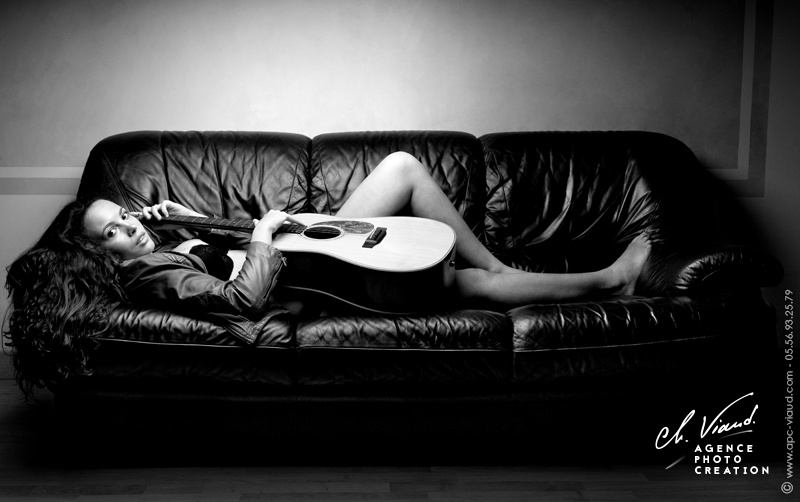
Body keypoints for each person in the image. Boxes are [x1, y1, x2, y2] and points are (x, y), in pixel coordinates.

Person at [4, 152, 651, 399]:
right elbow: (242, 295)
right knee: (457, 268)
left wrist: (192, 214)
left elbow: (240, 239)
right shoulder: (151, 277)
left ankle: (594, 278)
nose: (129, 225)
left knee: (411, 184)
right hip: (319, 281)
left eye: (123, 214)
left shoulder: (163, 236)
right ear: (98, 252)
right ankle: (605, 280)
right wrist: (258, 231)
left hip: (316, 255)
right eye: (111, 229)